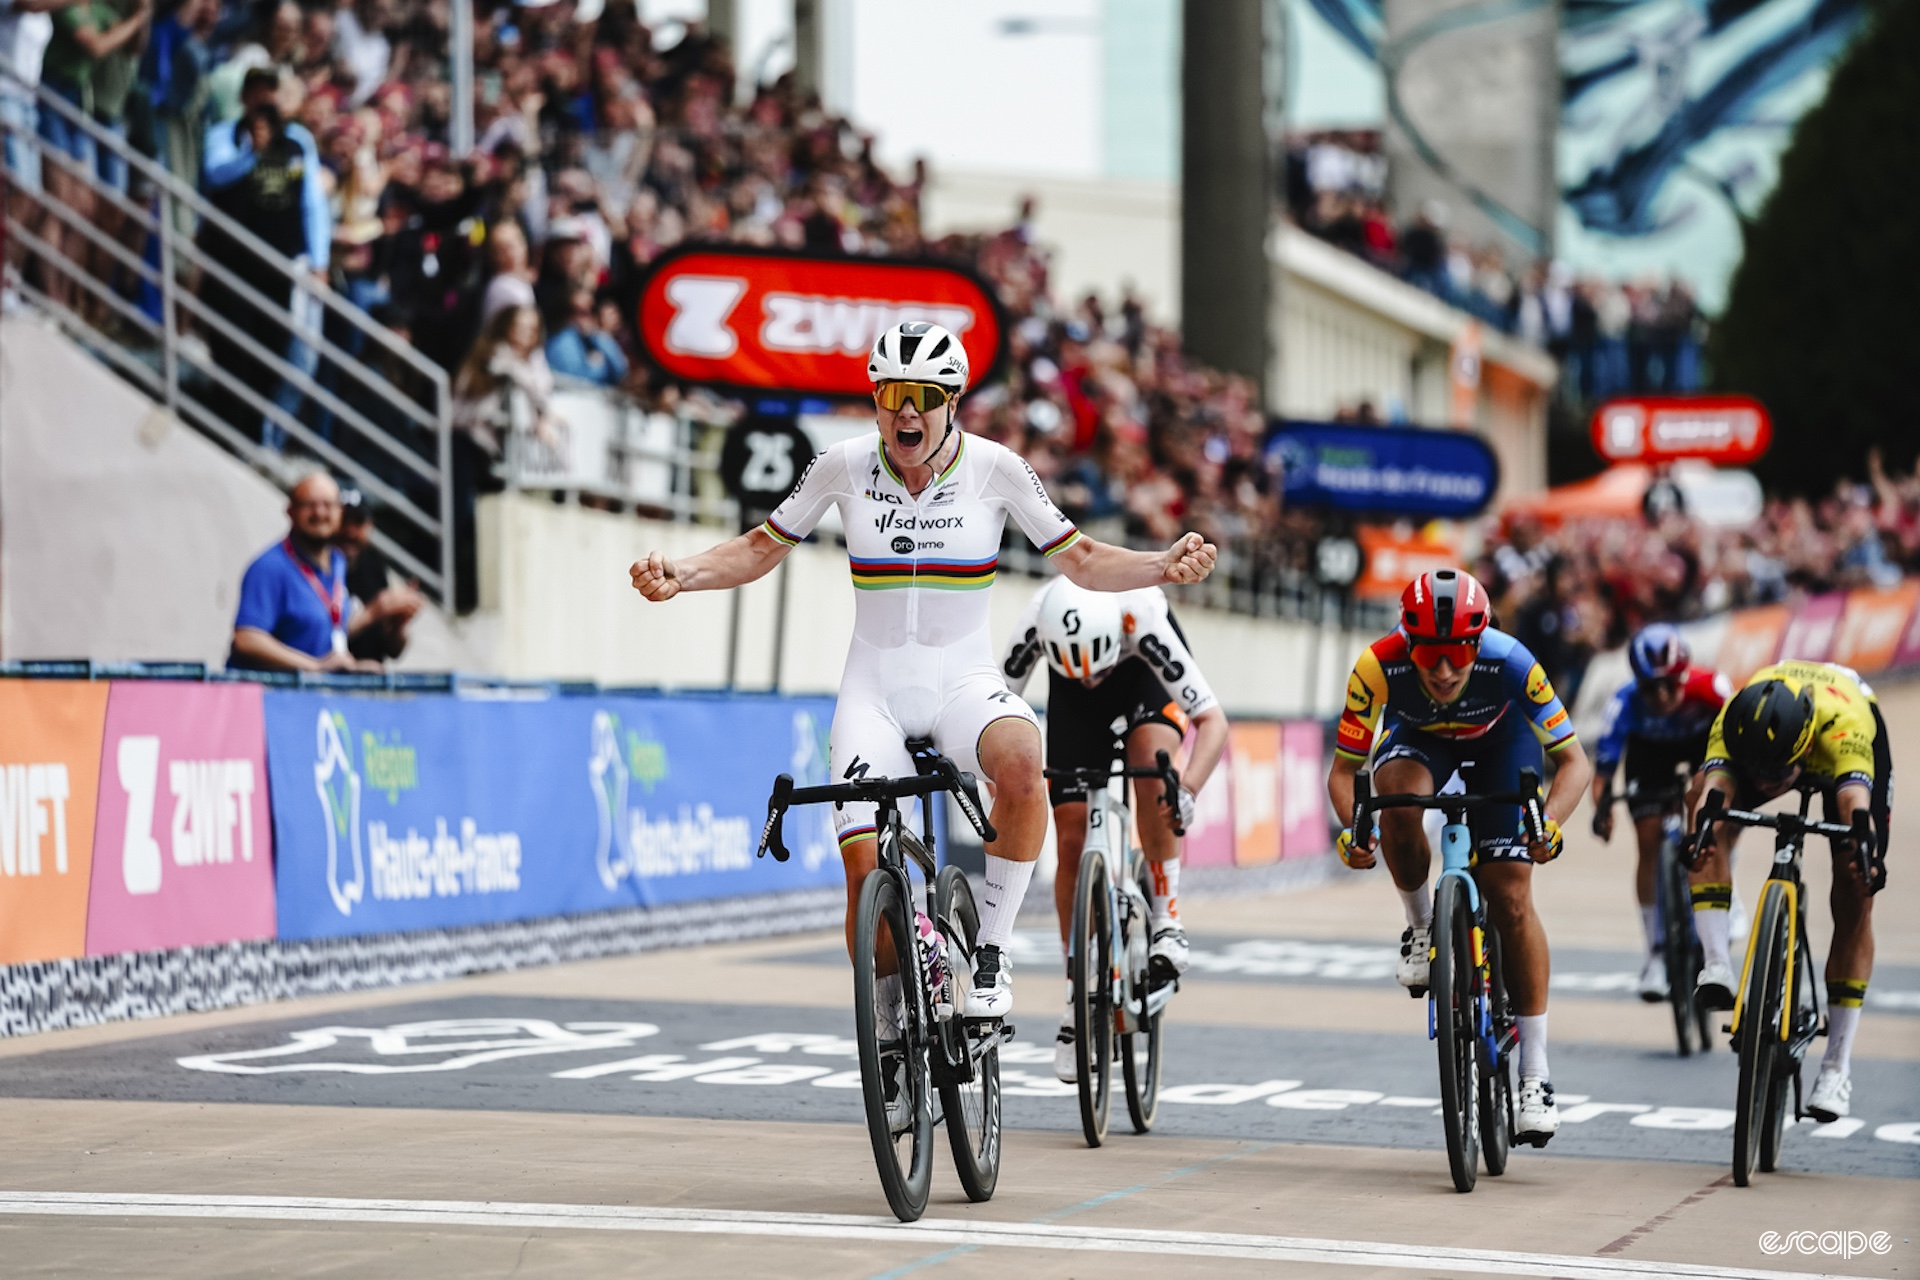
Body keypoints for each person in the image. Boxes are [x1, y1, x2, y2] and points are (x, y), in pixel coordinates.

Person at [630, 320, 1216, 1030]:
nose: (908, 412)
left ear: (953, 400)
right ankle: (888, 1029)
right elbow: (761, 547)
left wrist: (1161, 563)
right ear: (875, 398)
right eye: (893, 394)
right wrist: (680, 575)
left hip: (963, 684)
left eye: (926, 396)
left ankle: (992, 955)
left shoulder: (995, 468)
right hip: (872, 693)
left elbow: (1083, 558)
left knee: (1026, 763)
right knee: (863, 884)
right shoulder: (842, 465)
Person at [1326, 569, 1593, 1145]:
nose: (1444, 672)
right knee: (1394, 797)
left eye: (1457, 657)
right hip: (1418, 741)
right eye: (1429, 658)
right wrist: (1354, 830)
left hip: (1500, 744)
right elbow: (1345, 772)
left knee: (1512, 896)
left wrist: (1548, 824)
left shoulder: (1513, 661)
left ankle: (1536, 1075)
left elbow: (1575, 762)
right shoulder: (1377, 665)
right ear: (1407, 643)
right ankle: (1422, 927)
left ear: (1479, 642)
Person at [1000, 577, 1229, 1083]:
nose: (1087, 680)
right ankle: (1076, 994)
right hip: (1077, 690)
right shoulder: (1041, 617)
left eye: (1091, 672)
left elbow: (1213, 722)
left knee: (1153, 767)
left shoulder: (1141, 616)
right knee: (1070, 832)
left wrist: (1187, 788)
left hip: (1141, 674)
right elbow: (996, 706)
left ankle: (1167, 918)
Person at [1689, 662, 1890, 1122]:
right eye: (1756, 773)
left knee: (1856, 886)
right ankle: (1716, 962)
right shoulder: (1731, 720)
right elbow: (1715, 792)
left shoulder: (1846, 726)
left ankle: (1837, 1067)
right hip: (1768, 723)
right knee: (1702, 811)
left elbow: (1854, 802)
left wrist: (1864, 848)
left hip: (1844, 728)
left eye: (1774, 774)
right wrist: (1700, 833)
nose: (1764, 785)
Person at [1589, 623, 1731, 999]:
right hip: (1649, 757)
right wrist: (1603, 810)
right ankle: (1655, 953)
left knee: (1709, 816)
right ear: (1638, 682)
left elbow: (1738, 739)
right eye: (1652, 688)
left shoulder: (1711, 687)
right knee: (1648, 841)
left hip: (1701, 746)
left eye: (1671, 684)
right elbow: (1602, 773)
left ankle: (1725, 895)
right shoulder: (1624, 702)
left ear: (1685, 673)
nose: (1664, 695)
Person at [229, 471, 409, 672]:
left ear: (339, 512)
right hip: (270, 697)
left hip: (311, 697)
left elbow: (329, 625)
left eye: (328, 505)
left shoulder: (337, 562)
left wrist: (356, 666)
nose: (320, 513)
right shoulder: (269, 567)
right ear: (290, 511)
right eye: (309, 505)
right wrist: (315, 667)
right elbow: (247, 639)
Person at [337, 487, 420, 661]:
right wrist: (374, 611)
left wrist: (397, 627)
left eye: (358, 522)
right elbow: (316, 640)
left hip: (372, 683)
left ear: (370, 525)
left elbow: (393, 651)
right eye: (343, 521)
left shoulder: (373, 562)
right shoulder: (318, 568)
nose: (350, 531)